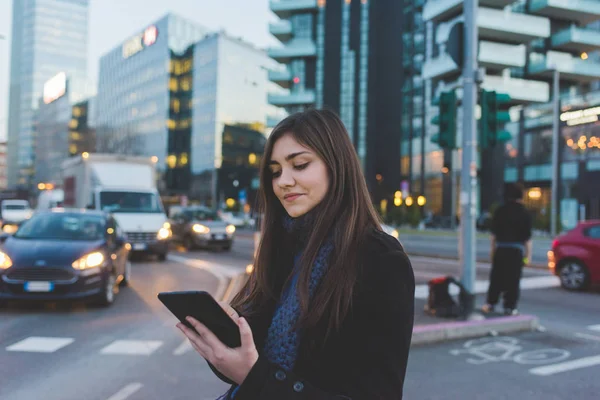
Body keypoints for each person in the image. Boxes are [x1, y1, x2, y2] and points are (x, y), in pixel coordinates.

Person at [177, 109, 415, 399]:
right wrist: (228, 335)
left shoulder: (380, 260)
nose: (283, 181)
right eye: (275, 171)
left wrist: (255, 378)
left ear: (336, 166)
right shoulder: (284, 250)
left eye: (300, 165)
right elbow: (252, 357)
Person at [482, 183, 533, 316]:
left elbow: (493, 236)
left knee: (496, 278)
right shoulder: (524, 213)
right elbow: (527, 239)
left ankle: (491, 303)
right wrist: (528, 256)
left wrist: (492, 252)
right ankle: (510, 306)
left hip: (501, 249)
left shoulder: (500, 211)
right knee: (513, 280)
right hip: (516, 251)